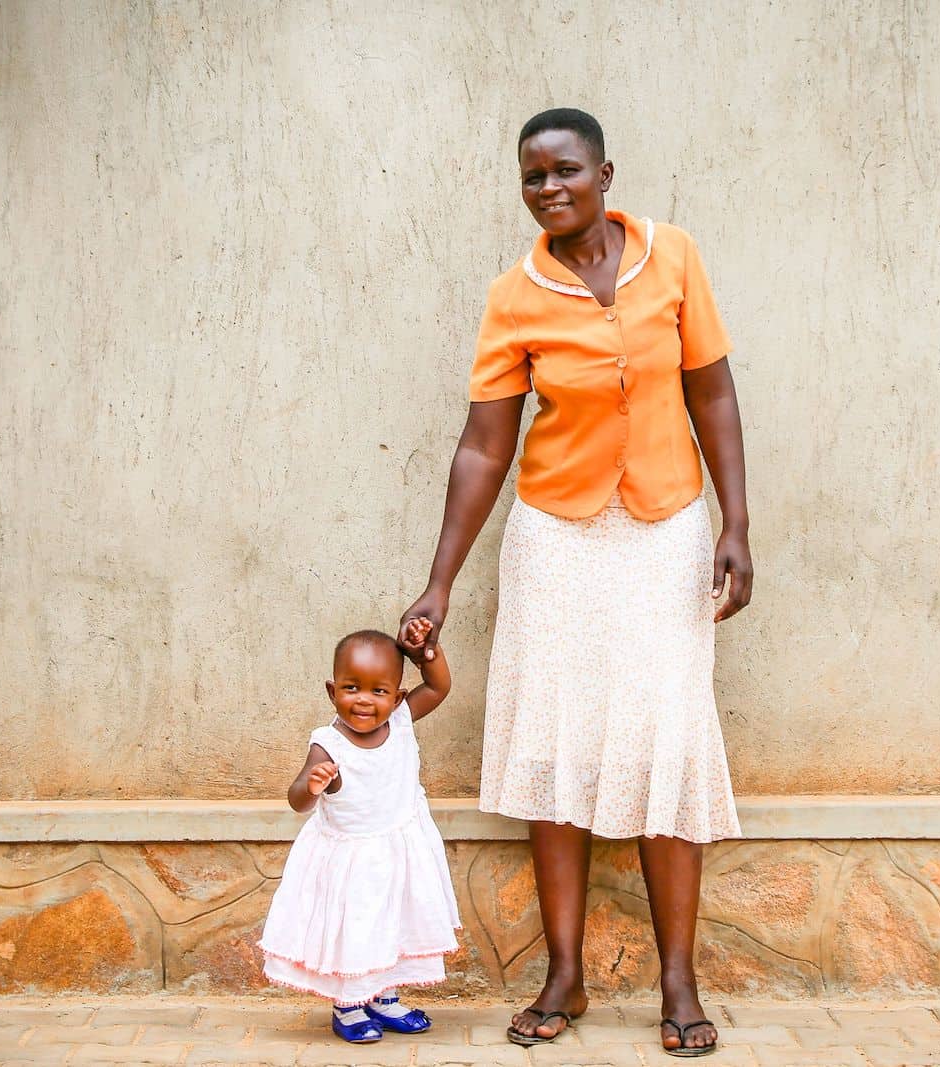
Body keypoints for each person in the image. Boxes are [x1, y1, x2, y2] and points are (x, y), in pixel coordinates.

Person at [398, 107, 752, 1058]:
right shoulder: (515, 294)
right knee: (556, 749)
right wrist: (439, 583)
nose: (549, 189)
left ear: (604, 171)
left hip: (665, 530)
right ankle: (566, 973)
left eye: (565, 171)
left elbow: (711, 389)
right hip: (555, 537)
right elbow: (485, 445)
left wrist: (737, 525)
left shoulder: (671, 257)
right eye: (532, 177)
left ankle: (678, 978)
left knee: (665, 743)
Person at [257, 625, 461, 1045]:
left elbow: (439, 686)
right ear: (333, 691)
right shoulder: (328, 743)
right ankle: (348, 1004)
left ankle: (384, 996)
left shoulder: (403, 720)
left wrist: (428, 651)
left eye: (379, 691)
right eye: (352, 688)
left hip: (400, 848)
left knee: (394, 923)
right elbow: (297, 799)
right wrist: (312, 784)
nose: (364, 700)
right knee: (357, 929)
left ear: (398, 697)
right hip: (351, 860)